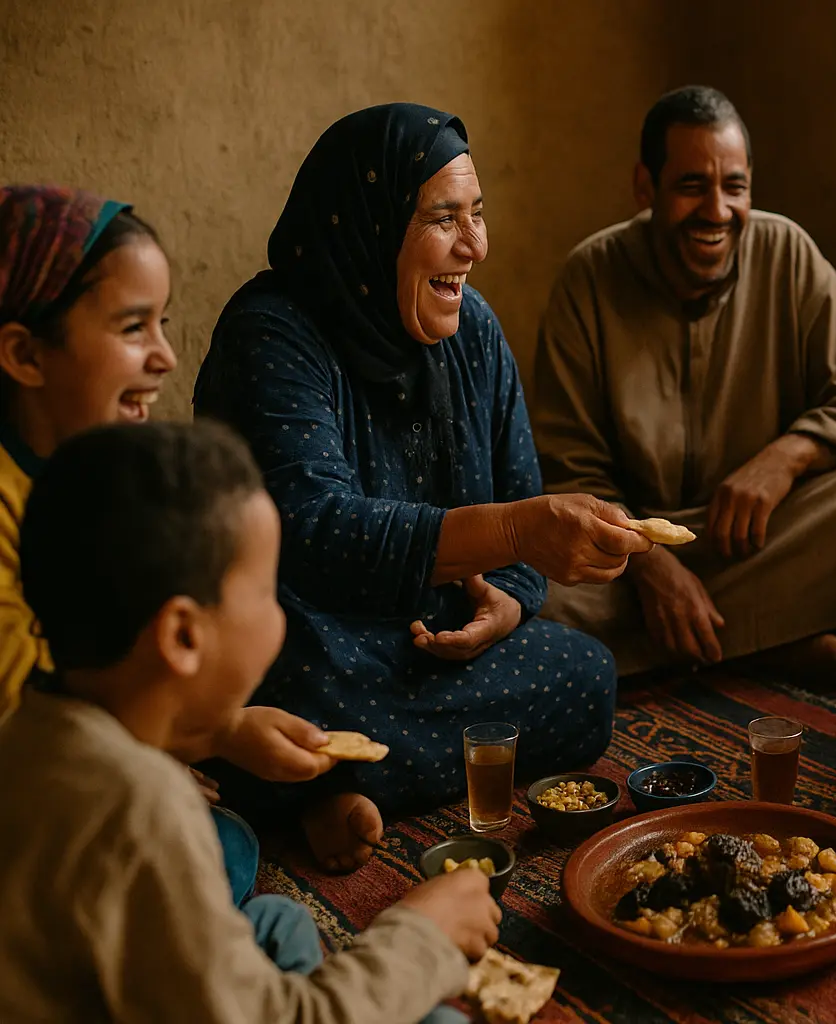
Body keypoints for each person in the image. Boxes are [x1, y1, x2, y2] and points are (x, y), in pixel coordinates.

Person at [194, 104, 651, 872]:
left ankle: (321, 781)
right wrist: (513, 534)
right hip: (315, 638)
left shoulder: (474, 330)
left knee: (586, 679)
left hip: (429, 651)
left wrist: (506, 600)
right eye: (444, 219)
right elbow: (311, 529)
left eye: (477, 213)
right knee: (273, 675)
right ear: (369, 224)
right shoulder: (274, 334)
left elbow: (519, 504)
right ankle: (304, 775)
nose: (476, 245)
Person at [1, 421, 495, 1023]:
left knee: (275, 924)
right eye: (266, 592)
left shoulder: (28, 729)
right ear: (184, 635)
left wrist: (219, 733)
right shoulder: (144, 807)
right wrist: (425, 933)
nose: (282, 615)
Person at [0, 184, 339, 919]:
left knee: (225, 835)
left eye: (163, 323)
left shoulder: (96, 475)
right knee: (207, 852)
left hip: (103, 758)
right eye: (132, 328)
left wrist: (220, 733)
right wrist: (146, 770)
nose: (165, 355)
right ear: (25, 354)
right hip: (37, 802)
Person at [535, 86, 836, 689]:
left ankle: (686, 646)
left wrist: (786, 459)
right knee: (527, 592)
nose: (717, 210)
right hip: (628, 549)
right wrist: (650, 559)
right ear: (646, 187)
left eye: (734, 187)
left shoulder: (786, 252)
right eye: (691, 186)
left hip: (754, 539)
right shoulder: (589, 278)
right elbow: (568, 466)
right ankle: (765, 642)